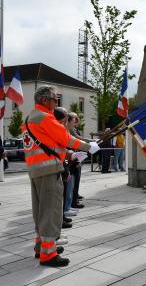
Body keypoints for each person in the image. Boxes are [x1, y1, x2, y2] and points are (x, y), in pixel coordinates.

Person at [22, 86, 99, 267]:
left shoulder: (28, 119)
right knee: (51, 211)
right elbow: (66, 139)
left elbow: (49, 145)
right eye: (54, 100)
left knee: (40, 211)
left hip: (36, 170)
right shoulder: (45, 118)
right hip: (49, 171)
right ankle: (48, 254)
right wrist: (89, 147)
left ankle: (41, 246)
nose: (55, 103)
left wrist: (70, 155)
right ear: (44, 100)